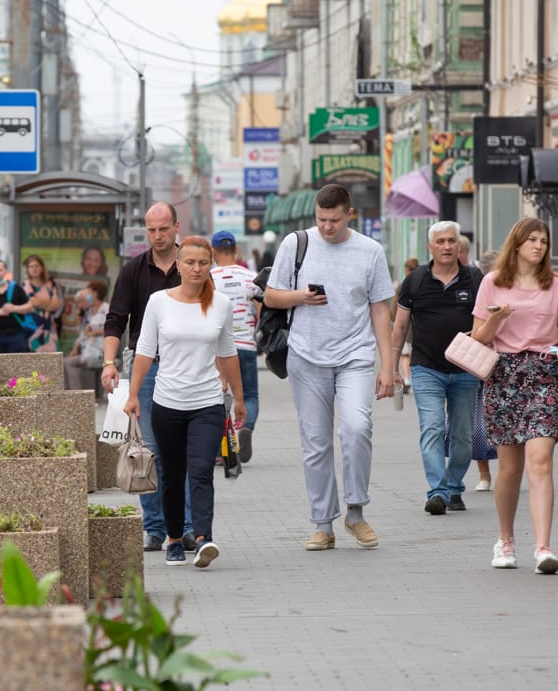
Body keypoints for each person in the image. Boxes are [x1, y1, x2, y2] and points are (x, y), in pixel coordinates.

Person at [263, 183, 396, 552]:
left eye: (334, 220)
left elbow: (380, 309)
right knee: (315, 443)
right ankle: (323, 523)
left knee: (356, 427)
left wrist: (388, 365)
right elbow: (271, 295)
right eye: (321, 220)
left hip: (354, 355)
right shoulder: (296, 244)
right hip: (305, 355)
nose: (326, 227)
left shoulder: (370, 251)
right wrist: (301, 297)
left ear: (349, 214)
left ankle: (355, 512)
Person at [124, 236, 246, 568]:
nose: (196, 268)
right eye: (189, 262)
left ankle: (204, 538)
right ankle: (175, 539)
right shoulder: (158, 302)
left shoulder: (220, 303)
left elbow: (228, 353)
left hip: (207, 402)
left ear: (211, 266)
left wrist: (238, 398)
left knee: (202, 471)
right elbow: (145, 350)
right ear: (178, 265)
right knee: (172, 473)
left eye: (203, 263)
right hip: (167, 402)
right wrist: (133, 394)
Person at [470, 218, 558, 574]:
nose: (539, 246)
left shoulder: (557, 284)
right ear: (516, 244)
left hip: (544, 374)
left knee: (541, 460)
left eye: (543, 241)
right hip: (504, 375)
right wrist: (497, 320)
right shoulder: (492, 283)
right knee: (510, 468)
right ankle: (505, 539)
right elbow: (478, 338)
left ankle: (543, 547)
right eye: (532, 240)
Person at [102, 201, 195, 551]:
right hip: (147, 367)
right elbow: (115, 319)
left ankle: (185, 527)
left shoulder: (192, 266)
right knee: (148, 449)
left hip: (187, 366)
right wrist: (108, 362)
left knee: (182, 450)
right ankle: (155, 528)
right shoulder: (133, 270)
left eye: (163, 229)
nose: (157, 236)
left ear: (175, 227)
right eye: (151, 230)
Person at [391, 222, 484, 515]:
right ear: (430, 247)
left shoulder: (475, 279)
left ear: (460, 246)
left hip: (466, 369)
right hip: (426, 367)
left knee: (462, 435)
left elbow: (490, 321)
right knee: (431, 427)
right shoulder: (415, 280)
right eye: (440, 241)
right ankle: (438, 492)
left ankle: (454, 485)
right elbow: (400, 325)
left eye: (451, 241)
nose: (446, 246)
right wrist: (392, 367)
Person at [209, 230, 261, 462]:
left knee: (218, 395)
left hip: (218, 349)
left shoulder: (209, 279)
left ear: (213, 252)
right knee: (249, 393)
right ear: (236, 251)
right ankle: (246, 428)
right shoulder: (252, 277)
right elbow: (262, 311)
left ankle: (222, 447)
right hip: (247, 345)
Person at [471, 250, 500, 491]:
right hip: (480, 362)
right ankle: (484, 474)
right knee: (480, 421)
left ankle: (509, 470)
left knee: (509, 421)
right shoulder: (479, 290)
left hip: (508, 363)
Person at [0, 259, 33, 354]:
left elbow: (29, 307)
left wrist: (14, 308)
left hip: (16, 335)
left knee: (17, 365)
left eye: (0, 270)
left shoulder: (16, 288)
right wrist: (0, 312)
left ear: (5, 271)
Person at [64, 280, 109, 392]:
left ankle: (77, 394)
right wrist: (75, 349)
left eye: (89, 292)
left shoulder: (106, 308)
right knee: (65, 361)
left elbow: (112, 328)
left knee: (67, 362)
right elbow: (82, 333)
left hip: (99, 350)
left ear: (95, 293)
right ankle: (72, 393)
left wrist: (95, 332)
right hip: (87, 349)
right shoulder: (88, 311)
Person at [22, 254, 63, 352]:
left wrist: (41, 303)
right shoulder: (26, 284)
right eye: (31, 266)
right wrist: (48, 303)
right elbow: (34, 302)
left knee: (51, 361)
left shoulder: (50, 284)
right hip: (32, 329)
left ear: (42, 268)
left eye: (37, 266)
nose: (34, 269)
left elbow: (56, 305)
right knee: (33, 362)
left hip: (49, 328)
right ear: (27, 269)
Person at [397, 257, 420, 391]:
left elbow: (396, 306)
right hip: (418, 325)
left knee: (405, 354)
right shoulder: (422, 281)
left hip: (406, 325)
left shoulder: (404, 284)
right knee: (414, 354)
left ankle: (406, 377)